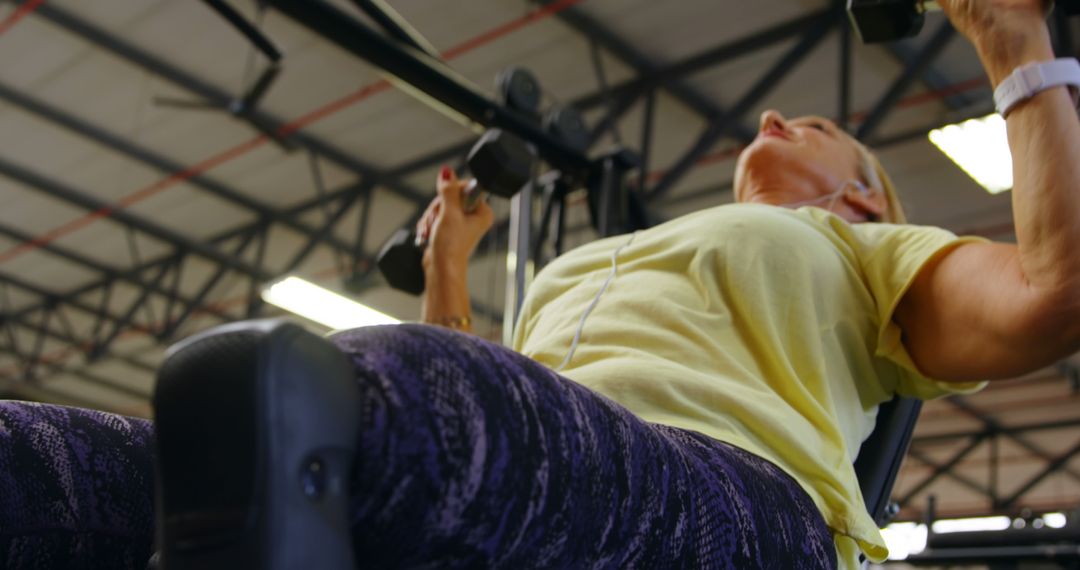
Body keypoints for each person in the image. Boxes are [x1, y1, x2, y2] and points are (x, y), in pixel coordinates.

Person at [0, 0, 1075, 568]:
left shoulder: (868, 254)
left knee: (362, 411)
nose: (767, 120)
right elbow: (497, 379)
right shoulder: (609, 264)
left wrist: (1015, 43)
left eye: (815, 126)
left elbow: (1052, 291)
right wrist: (453, 263)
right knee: (113, 462)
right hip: (540, 454)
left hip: (736, 505)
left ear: (864, 201)